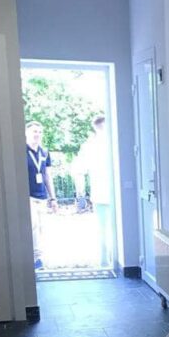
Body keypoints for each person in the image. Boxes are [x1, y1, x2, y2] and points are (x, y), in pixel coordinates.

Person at [74, 114, 113, 267]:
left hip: (101, 193)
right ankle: (109, 258)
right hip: (108, 194)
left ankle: (105, 259)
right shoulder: (111, 142)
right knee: (109, 228)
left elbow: (79, 170)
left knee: (103, 228)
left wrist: (81, 193)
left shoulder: (89, 145)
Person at [25, 121, 57, 269]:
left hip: (42, 196)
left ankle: (37, 258)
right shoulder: (21, 150)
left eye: (39, 132)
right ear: (26, 133)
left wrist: (53, 198)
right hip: (27, 196)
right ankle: (36, 259)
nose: (37, 134)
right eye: (34, 131)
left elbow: (47, 176)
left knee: (41, 228)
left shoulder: (44, 152)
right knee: (33, 226)